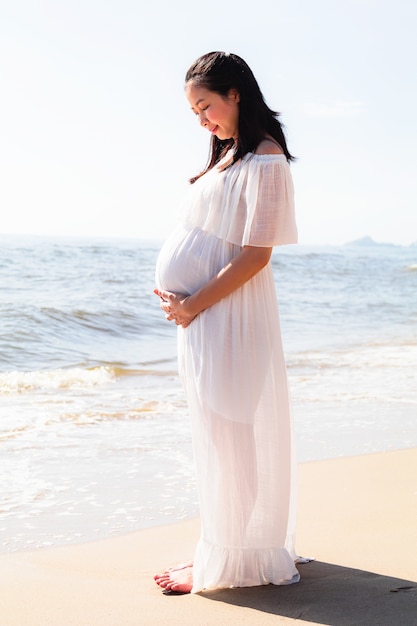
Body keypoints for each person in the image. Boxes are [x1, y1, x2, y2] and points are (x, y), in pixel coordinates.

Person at [153, 51, 300, 594]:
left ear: (235, 94)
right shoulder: (229, 157)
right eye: (194, 111)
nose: (202, 119)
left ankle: (232, 560)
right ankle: (225, 547)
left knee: (233, 437)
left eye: (206, 105)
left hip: (228, 315)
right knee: (219, 437)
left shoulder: (266, 160)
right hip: (208, 317)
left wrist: (192, 305)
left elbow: (256, 255)